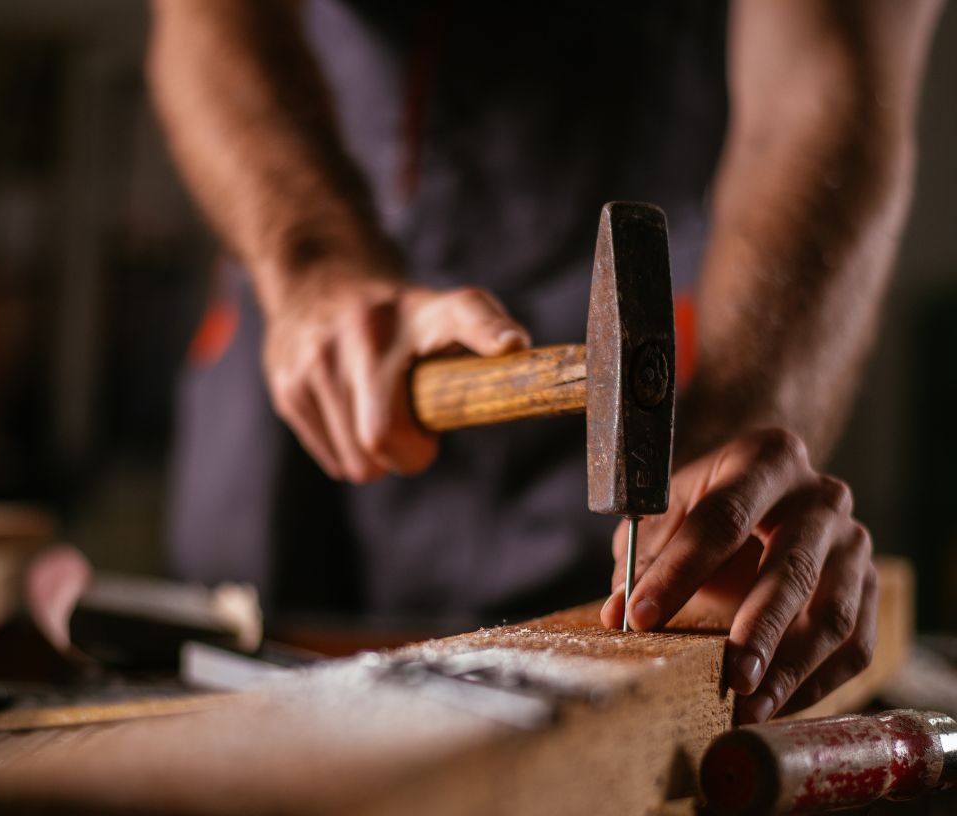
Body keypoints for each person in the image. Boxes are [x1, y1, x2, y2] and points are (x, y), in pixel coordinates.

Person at [147, 0, 940, 722]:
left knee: (612, 707)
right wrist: (310, 261)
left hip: (684, 405)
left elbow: (822, 95)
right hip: (307, 379)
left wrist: (739, 439)